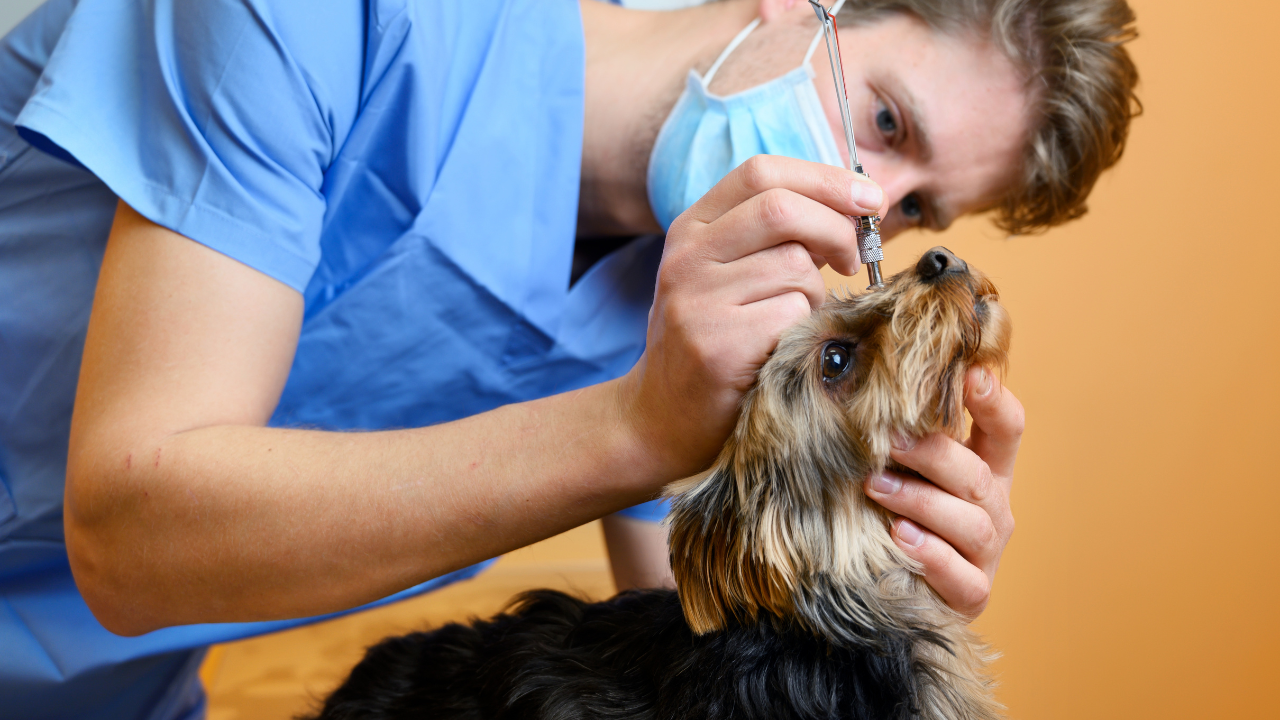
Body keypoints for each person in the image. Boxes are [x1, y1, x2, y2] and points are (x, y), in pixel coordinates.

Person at [0, 0, 1138, 716]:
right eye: (884, 125)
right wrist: (632, 432)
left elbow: (701, 637)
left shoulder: (700, 316)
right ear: (802, 8)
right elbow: (131, 539)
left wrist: (873, 568)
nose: (864, 211)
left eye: (916, 207)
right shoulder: (322, 15)